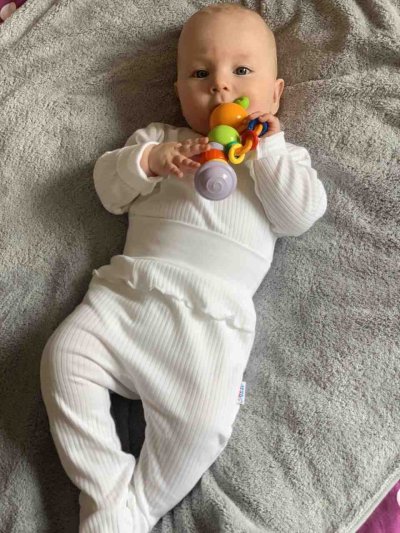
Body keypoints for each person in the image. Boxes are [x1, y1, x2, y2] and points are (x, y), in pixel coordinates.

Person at [40, 3, 328, 532]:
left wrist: (268, 148)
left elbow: (300, 215)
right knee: (63, 358)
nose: (220, 85)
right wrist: (149, 162)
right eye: (200, 73)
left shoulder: (281, 161)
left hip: (210, 326)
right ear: (178, 92)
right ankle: (106, 492)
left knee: (204, 426)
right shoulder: (161, 140)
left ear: (275, 94)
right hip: (127, 298)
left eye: (242, 70)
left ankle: (135, 512)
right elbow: (108, 190)